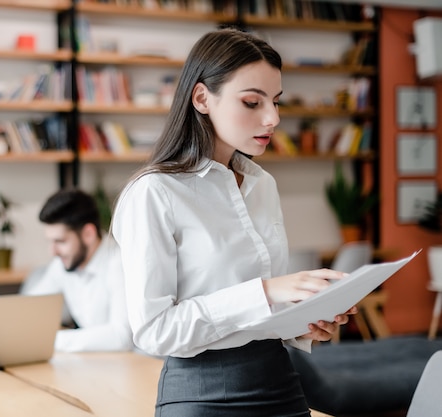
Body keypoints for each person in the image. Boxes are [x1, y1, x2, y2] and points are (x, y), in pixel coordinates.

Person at [111, 28, 356, 417]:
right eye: (252, 102)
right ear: (202, 98)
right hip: (202, 393)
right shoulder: (154, 193)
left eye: (276, 102)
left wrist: (301, 323)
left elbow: (261, 312)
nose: (272, 118)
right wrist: (266, 290)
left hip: (281, 382)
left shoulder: (263, 184)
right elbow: (154, 331)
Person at [21, 188, 133, 352]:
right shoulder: (63, 263)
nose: (53, 252)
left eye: (60, 241)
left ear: (88, 234)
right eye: (50, 242)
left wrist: (52, 339)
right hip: (96, 363)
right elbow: (29, 307)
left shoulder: (118, 263)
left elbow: (121, 336)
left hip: (136, 365)